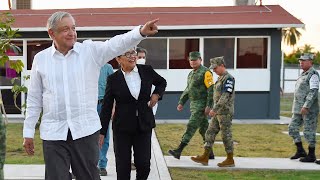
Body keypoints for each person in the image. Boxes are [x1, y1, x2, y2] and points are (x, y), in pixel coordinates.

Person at [22, 11, 159, 180]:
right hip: (53, 133)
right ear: (52, 33)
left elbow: (115, 44)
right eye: (65, 29)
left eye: (73, 28)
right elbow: (35, 97)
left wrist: (140, 32)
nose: (71, 33)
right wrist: (28, 131)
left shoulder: (90, 52)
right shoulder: (41, 59)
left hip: (84, 131)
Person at [99, 48, 167, 180]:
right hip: (122, 127)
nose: (133, 57)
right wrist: (102, 132)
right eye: (128, 54)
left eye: (133, 53)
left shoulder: (146, 70)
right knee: (123, 166)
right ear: (118, 59)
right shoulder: (113, 79)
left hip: (143, 125)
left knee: (144, 164)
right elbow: (107, 106)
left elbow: (161, 82)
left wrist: (156, 94)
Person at [168, 51, 214, 160]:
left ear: (200, 60)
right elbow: (188, 89)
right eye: (191, 60)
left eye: (195, 60)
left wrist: (209, 105)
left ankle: (178, 150)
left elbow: (211, 90)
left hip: (201, 105)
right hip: (194, 104)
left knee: (191, 126)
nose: (192, 62)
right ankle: (210, 153)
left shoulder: (206, 72)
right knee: (203, 129)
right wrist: (181, 102)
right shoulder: (191, 73)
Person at [191, 56, 235, 167]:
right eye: (213, 68)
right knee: (209, 132)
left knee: (226, 135)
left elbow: (225, 96)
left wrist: (214, 109)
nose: (214, 70)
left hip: (225, 112)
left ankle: (230, 159)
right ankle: (205, 156)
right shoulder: (220, 78)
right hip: (217, 113)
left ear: (222, 66)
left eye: (215, 68)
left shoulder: (228, 78)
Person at [288, 53, 319, 163]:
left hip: (308, 109)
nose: (301, 62)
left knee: (308, 131)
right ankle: (300, 150)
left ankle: (311, 155)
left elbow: (313, 91)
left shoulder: (313, 74)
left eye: (304, 60)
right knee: (292, 128)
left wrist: (306, 106)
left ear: (310, 62)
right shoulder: (303, 74)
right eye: (300, 60)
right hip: (297, 109)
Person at [97, 63, 114, 176]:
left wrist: (113, 107)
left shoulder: (108, 67)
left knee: (104, 135)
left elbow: (114, 88)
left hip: (103, 104)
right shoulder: (86, 64)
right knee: (83, 136)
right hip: (87, 104)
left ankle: (102, 165)